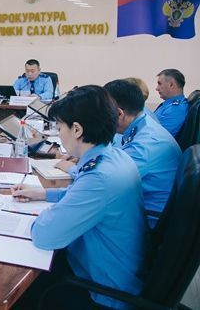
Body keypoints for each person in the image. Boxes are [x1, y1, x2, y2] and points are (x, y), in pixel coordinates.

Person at [12, 85, 148, 310]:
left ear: (77, 129)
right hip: (112, 270)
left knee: (14, 289)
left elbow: (44, 235)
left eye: (60, 127)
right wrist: (43, 193)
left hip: (103, 292)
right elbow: (82, 196)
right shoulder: (113, 156)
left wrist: (43, 214)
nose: (59, 133)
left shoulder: (99, 178)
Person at [103, 79, 181, 228]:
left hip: (150, 219)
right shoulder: (142, 126)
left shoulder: (147, 143)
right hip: (142, 206)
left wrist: (74, 167)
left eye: (104, 113)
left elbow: (107, 181)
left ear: (119, 114)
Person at [154, 68, 188, 137]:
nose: (157, 88)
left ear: (171, 85)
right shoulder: (169, 105)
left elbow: (157, 136)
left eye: (160, 84)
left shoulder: (176, 109)